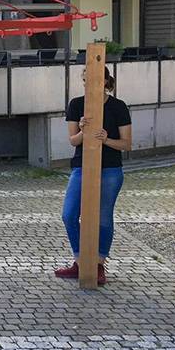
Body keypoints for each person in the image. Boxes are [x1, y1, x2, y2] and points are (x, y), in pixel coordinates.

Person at [55, 66, 131, 285]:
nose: (88, 84)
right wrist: (83, 130)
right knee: (69, 215)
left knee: (103, 216)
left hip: (110, 169)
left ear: (105, 81)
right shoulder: (76, 104)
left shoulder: (118, 106)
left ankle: (98, 264)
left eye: (93, 80)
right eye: (85, 80)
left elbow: (126, 144)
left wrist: (106, 139)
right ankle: (81, 262)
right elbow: (73, 141)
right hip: (82, 166)